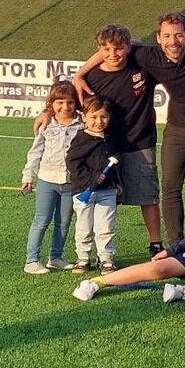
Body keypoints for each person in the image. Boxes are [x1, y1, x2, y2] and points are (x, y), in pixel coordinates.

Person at [73, 11, 185, 248]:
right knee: (170, 188)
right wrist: (79, 74)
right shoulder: (149, 55)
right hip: (176, 129)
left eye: (179, 35)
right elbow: (113, 47)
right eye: (167, 36)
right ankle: (175, 246)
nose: (173, 41)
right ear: (158, 38)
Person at [78, 24, 163, 255]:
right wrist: (47, 111)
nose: (112, 54)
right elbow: (73, 104)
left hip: (140, 144)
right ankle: (96, 251)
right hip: (103, 148)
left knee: (148, 196)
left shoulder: (143, 68)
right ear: (98, 50)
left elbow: (146, 49)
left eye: (118, 48)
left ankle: (156, 244)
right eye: (105, 49)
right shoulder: (92, 77)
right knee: (99, 199)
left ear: (128, 47)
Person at [21, 81, 84, 274]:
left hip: (71, 182)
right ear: (51, 103)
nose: (65, 107)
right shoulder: (47, 123)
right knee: (41, 220)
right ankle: (31, 260)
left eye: (70, 102)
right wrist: (28, 176)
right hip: (47, 180)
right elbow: (36, 151)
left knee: (64, 222)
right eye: (60, 102)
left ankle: (55, 257)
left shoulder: (82, 124)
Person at [65, 97, 120, 274]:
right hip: (84, 191)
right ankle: (83, 257)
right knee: (84, 226)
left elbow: (116, 163)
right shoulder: (81, 138)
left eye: (104, 117)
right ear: (84, 117)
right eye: (94, 117)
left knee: (106, 226)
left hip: (107, 191)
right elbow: (73, 163)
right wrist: (92, 179)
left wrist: (117, 182)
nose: (99, 122)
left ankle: (105, 258)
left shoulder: (111, 138)